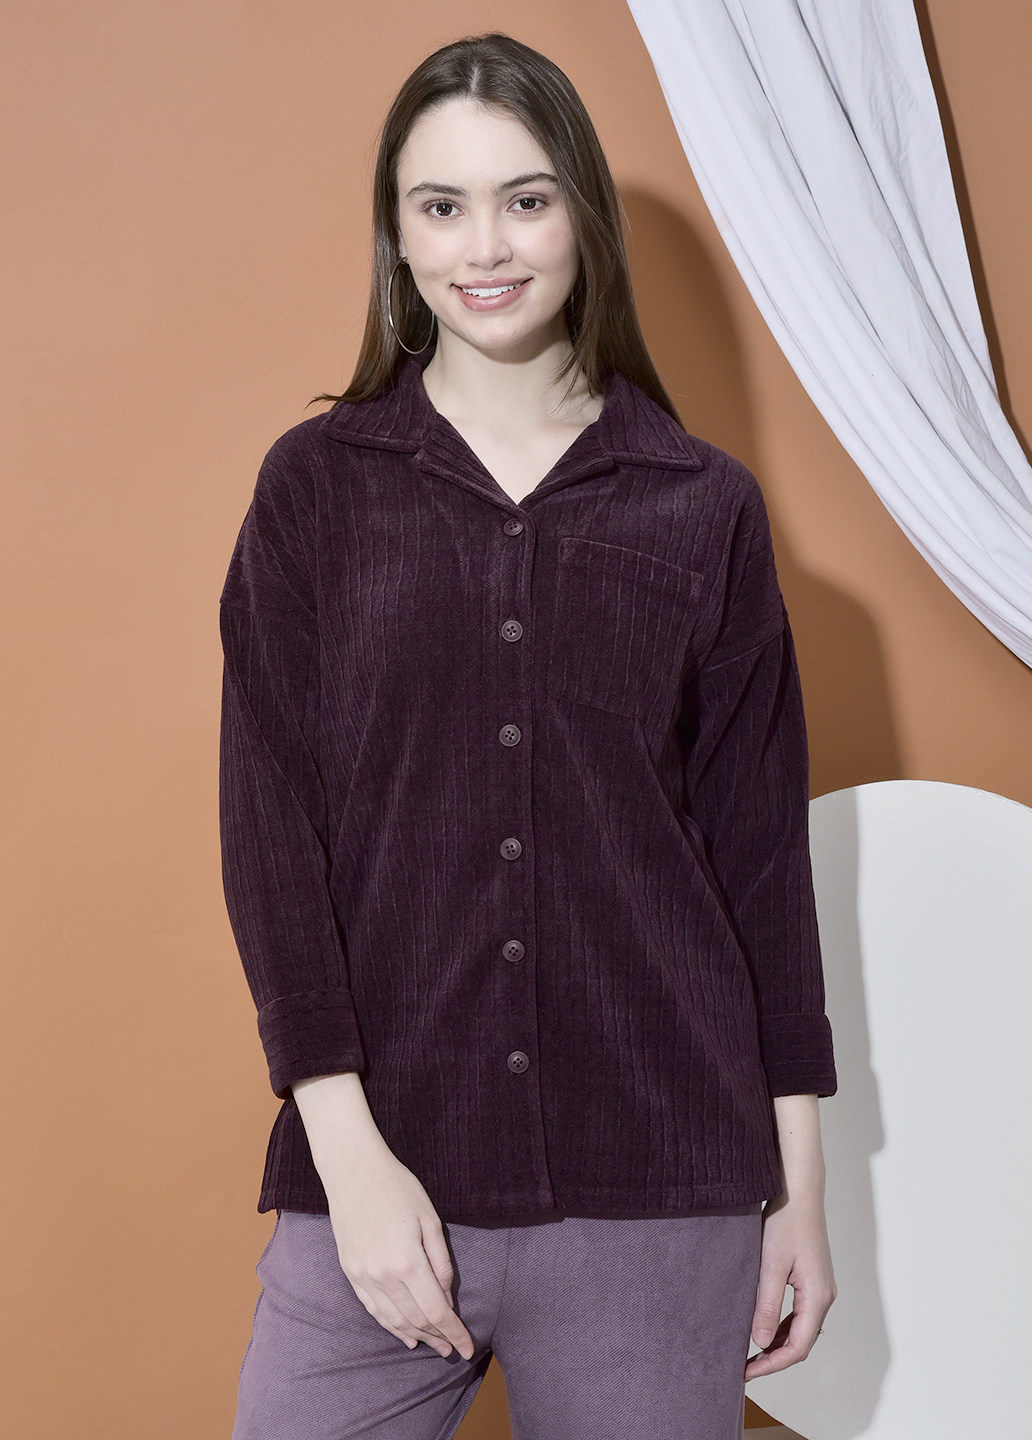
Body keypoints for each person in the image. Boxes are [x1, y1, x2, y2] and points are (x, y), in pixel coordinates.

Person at [219, 31, 837, 1440]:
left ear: (583, 220)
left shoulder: (703, 507)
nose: (484, 245)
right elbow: (271, 839)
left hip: (660, 1191)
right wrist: (348, 1155)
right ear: (397, 234)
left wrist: (798, 1190)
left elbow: (761, 867)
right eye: (441, 205)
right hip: (384, 1171)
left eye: (527, 199)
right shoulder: (316, 491)